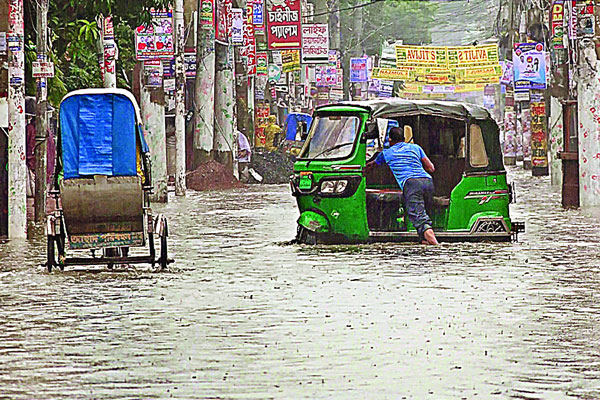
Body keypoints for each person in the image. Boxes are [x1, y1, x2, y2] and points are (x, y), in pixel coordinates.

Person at [366, 126, 439, 245]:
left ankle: (437, 247)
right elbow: (431, 168)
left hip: (411, 183)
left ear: (390, 140)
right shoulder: (416, 147)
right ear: (404, 138)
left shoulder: (386, 153)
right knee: (423, 216)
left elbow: (371, 166)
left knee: (420, 219)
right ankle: (425, 242)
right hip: (427, 181)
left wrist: (362, 170)